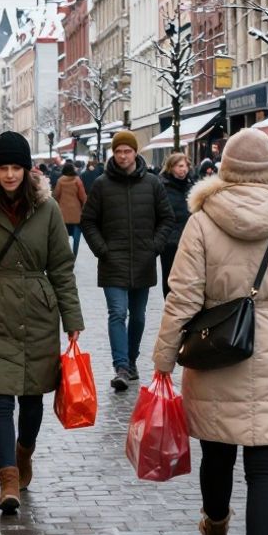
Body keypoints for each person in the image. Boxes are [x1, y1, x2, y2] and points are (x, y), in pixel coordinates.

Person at [152, 128, 268, 535]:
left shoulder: (201, 222)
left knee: (217, 455)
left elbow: (183, 298)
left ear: (225, 169)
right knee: (266, 468)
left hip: (215, 352)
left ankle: (215, 522)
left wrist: (163, 360)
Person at [0, 131, 85, 514]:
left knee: (32, 400)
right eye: (3, 168)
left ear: (28, 169)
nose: (10, 175)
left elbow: (61, 266)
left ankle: (23, 452)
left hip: (38, 313)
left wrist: (72, 318)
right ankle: (8, 480)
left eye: (16, 167)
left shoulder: (46, 208)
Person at [79, 130, 175, 391]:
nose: (123, 156)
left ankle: (131, 360)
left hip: (143, 260)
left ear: (135, 153)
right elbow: (88, 220)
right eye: (118, 151)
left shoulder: (152, 183)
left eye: (127, 151)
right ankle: (121, 366)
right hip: (113, 261)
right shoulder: (102, 184)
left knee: (139, 317)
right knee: (118, 313)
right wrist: (102, 249)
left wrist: (154, 247)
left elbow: (167, 218)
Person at [158, 153, 195, 295]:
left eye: (186, 166)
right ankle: (169, 303)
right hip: (170, 242)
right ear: (171, 167)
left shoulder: (192, 186)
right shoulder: (162, 186)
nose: (183, 169)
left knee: (188, 279)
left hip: (190, 240)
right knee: (170, 278)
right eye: (180, 166)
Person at [52, 160, 88, 255]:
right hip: (76, 213)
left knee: (64, 237)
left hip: (63, 213)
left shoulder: (60, 180)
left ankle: (65, 254)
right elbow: (83, 197)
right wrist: (84, 207)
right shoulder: (77, 180)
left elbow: (55, 195)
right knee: (76, 238)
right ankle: (74, 255)